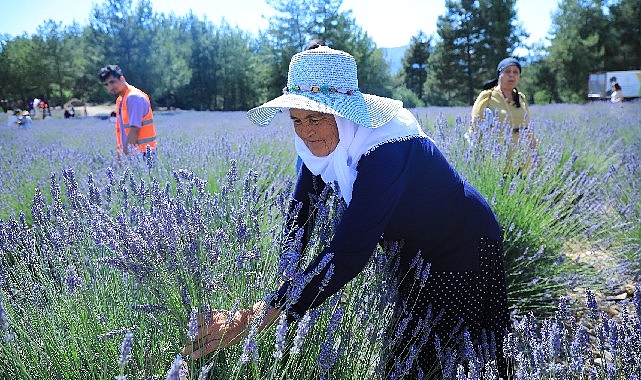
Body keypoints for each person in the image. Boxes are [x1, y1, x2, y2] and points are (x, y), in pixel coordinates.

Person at [183, 46, 510, 378]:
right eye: (296, 119)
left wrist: (256, 317)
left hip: (462, 245)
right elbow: (301, 210)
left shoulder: (386, 147)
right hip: (413, 254)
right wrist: (286, 278)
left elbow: (349, 251)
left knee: (449, 358)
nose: (305, 131)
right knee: (410, 357)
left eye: (315, 117)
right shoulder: (320, 143)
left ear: (344, 113)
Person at [468, 57, 537, 173]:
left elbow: (527, 126)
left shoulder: (521, 98)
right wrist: (476, 149)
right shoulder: (487, 96)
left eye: (516, 72)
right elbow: (475, 123)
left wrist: (534, 148)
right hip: (496, 154)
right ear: (500, 74)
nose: (512, 75)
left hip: (522, 154)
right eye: (507, 71)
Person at [98, 64, 157, 157]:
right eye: (106, 84)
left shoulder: (134, 97)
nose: (110, 87)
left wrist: (125, 157)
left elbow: (134, 129)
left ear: (122, 79)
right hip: (134, 153)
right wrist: (120, 153)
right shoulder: (121, 99)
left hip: (143, 153)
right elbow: (123, 131)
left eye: (112, 82)